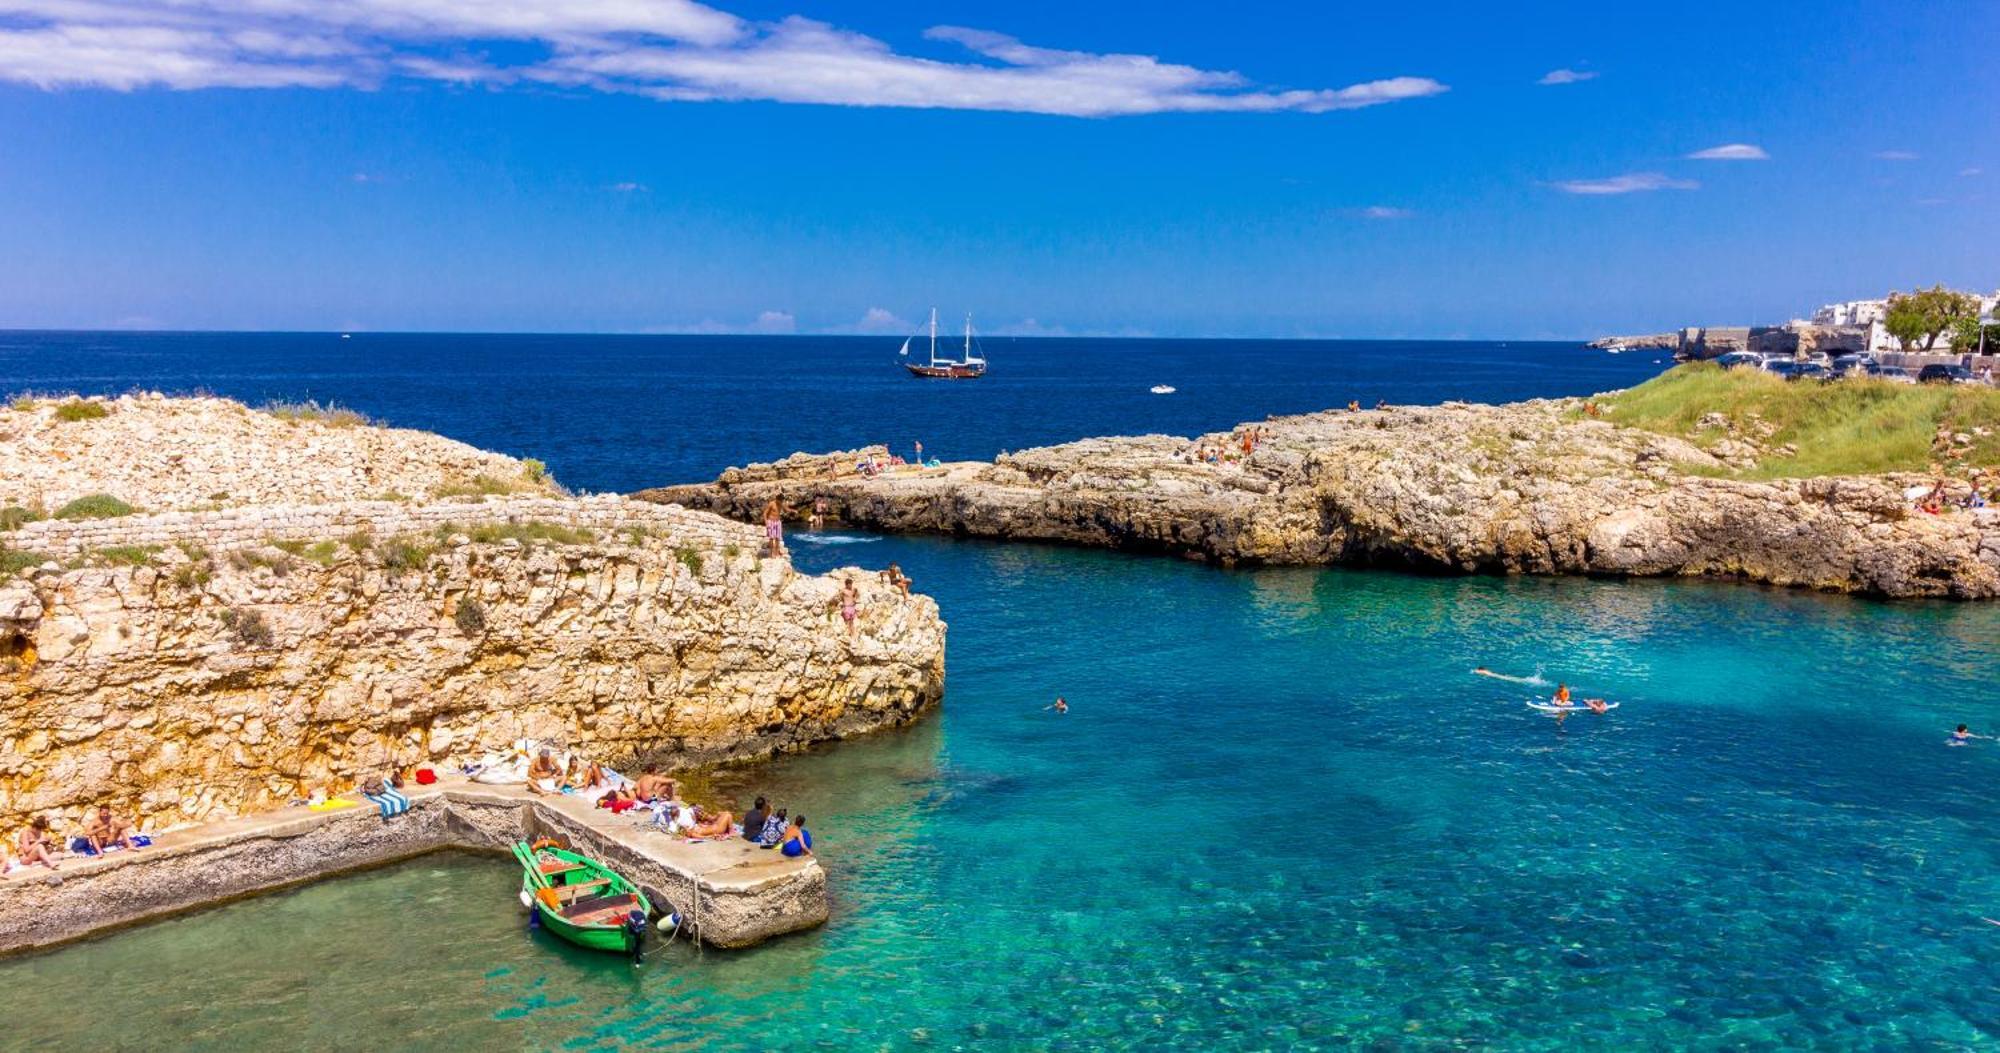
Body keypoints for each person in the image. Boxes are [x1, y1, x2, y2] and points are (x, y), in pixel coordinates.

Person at [838, 576, 860, 640]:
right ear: (847, 584)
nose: (851, 585)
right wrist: (843, 603)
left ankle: (852, 635)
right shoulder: (843, 591)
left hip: (852, 607)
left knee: (852, 622)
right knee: (848, 622)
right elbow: (839, 597)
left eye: (851, 584)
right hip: (847, 607)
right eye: (850, 584)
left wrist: (855, 599)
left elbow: (857, 594)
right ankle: (850, 635)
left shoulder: (853, 590)